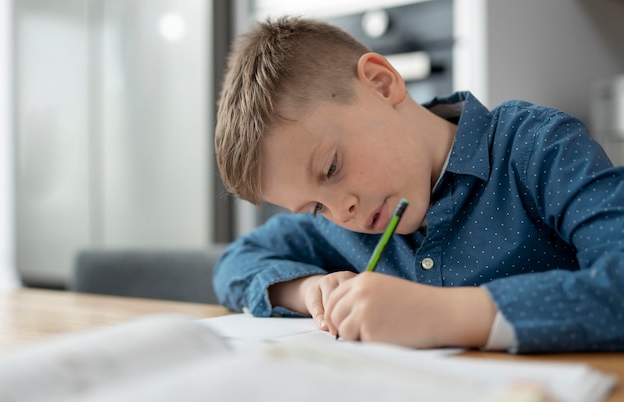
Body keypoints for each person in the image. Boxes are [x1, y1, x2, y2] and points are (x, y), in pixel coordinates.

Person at [213, 16, 624, 353]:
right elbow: (236, 261)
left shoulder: (536, 147)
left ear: (380, 83)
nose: (342, 212)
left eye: (333, 167)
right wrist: (307, 291)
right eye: (315, 207)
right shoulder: (340, 222)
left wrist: (445, 314)